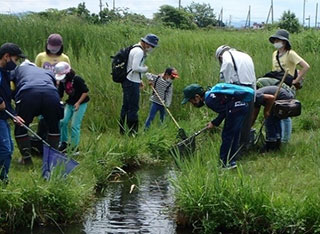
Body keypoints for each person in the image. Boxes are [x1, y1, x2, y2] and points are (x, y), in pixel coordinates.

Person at [182, 84, 249, 169]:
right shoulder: (211, 93)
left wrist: (214, 123)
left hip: (234, 110)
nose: (193, 104)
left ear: (197, 96)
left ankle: (224, 163)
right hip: (243, 106)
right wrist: (214, 122)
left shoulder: (209, 101)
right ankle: (232, 161)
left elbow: (225, 111)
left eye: (191, 101)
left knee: (227, 136)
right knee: (235, 135)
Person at [10, 60, 63, 165]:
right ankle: (51, 160)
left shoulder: (17, 69)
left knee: (21, 126)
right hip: (51, 94)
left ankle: (26, 159)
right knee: (53, 127)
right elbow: (57, 84)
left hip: (28, 93)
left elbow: (9, 85)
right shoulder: (47, 71)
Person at [268, 29, 310, 143]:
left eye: (278, 40)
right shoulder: (274, 54)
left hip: (287, 86)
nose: (276, 42)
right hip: (277, 85)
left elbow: (305, 66)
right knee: (276, 111)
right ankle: (278, 137)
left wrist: (296, 80)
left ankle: (285, 140)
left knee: (285, 113)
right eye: (275, 40)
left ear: (284, 42)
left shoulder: (290, 53)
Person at [33, 33, 71, 150]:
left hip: (56, 90)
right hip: (41, 88)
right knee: (41, 116)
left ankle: (55, 142)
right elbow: (35, 72)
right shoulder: (41, 57)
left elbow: (68, 73)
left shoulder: (64, 58)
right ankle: (41, 140)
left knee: (54, 115)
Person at [215, 45, 256, 151]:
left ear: (220, 56)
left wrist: (229, 88)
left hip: (238, 88)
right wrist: (254, 95)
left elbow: (228, 65)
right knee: (246, 120)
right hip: (250, 89)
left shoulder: (226, 55)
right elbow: (253, 77)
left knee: (235, 121)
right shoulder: (245, 55)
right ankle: (244, 146)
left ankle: (234, 150)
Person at [119, 33, 159, 136]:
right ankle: (133, 132)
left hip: (129, 80)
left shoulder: (134, 48)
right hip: (132, 82)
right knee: (133, 108)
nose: (152, 48)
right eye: (152, 46)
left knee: (126, 107)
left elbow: (130, 67)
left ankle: (122, 131)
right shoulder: (139, 52)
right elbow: (135, 67)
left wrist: (139, 79)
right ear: (146, 43)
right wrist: (145, 69)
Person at [0, 43, 25, 181]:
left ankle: (4, 179)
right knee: (5, 150)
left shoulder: (5, 74)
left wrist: (15, 115)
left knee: (9, 148)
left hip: (3, 117)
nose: (16, 64)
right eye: (15, 60)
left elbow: (6, 99)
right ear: (6, 56)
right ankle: (3, 181)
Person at [54, 62, 89, 153]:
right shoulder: (63, 81)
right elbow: (60, 94)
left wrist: (78, 103)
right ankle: (63, 142)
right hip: (70, 103)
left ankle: (74, 147)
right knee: (63, 121)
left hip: (81, 103)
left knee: (74, 125)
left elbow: (85, 92)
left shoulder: (77, 79)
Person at [252, 86, 294, 152]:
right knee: (276, 120)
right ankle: (277, 142)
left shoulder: (256, 96)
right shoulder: (256, 97)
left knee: (269, 121)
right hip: (282, 97)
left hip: (282, 98)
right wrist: (251, 124)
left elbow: (271, 98)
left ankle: (271, 144)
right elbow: (255, 114)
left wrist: (266, 111)